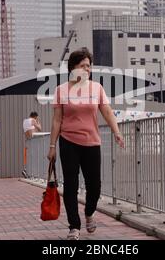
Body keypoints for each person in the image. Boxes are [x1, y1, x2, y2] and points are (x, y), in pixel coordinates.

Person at [48, 48, 125, 240]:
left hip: (92, 142)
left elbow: (106, 111)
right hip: (68, 142)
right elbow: (57, 120)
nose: (87, 69)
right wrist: (51, 146)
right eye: (83, 65)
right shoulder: (61, 90)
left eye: (89, 66)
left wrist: (117, 132)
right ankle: (74, 226)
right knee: (71, 186)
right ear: (73, 68)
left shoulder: (97, 88)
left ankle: (89, 212)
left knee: (95, 186)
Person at [22, 112, 42, 178]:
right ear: (35, 117)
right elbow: (40, 129)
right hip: (33, 140)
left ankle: (27, 170)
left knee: (29, 156)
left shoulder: (25, 121)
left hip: (27, 140)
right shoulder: (33, 120)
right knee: (35, 157)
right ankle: (33, 173)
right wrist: (38, 122)